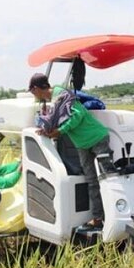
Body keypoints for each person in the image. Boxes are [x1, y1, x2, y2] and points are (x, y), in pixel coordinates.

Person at [28, 73, 112, 229]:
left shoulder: (62, 95)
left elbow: (77, 115)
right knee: (92, 182)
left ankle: (115, 216)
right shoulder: (51, 102)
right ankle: (98, 218)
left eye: (33, 92)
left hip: (97, 138)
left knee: (107, 179)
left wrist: (61, 131)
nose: (34, 96)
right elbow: (56, 120)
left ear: (37, 88)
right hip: (82, 144)